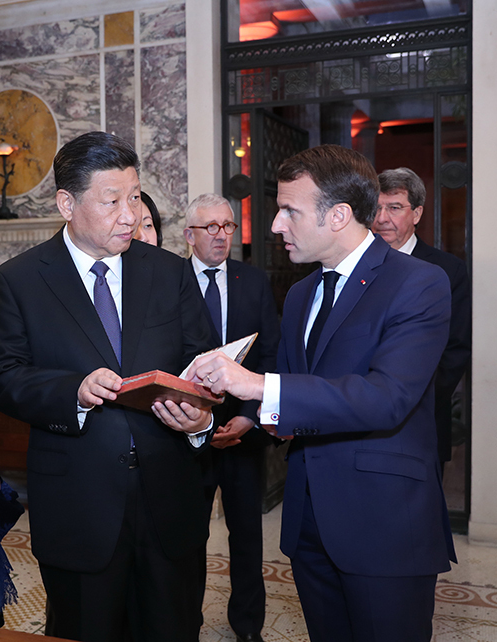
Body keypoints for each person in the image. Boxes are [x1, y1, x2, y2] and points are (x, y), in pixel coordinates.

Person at [187, 145, 455, 642]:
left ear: (338, 216)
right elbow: (291, 401)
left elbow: (387, 397)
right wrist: (211, 414)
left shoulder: (419, 283)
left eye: (289, 210)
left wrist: (254, 384)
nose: (275, 225)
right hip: (309, 521)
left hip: (382, 522)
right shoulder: (300, 293)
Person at [0, 131, 215, 642]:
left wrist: (201, 417)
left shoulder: (170, 272)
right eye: (112, 201)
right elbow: (0, 376)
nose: (130, 215)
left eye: (135, 197)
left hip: (168, 501)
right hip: (78, 505)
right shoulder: (21, 279)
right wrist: (73, 391)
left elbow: (201, 363)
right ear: (67, 204)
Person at [184, 193, 279, 642]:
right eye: (211, 227)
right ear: (190, 235)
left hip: (242, 434)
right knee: (188, 539)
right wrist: (197, 418)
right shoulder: (170, 281)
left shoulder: (253, 281)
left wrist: (249, 417)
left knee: (246, 538)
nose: (222, 235)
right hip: (189, 433)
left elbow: (271, 354)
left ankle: (248, 627)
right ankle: (186, 621)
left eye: (228, 226)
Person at [373, 167, 472, 466]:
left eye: (394, 207)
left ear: (417, 213)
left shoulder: (447, 270)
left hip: (421, 421)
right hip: (358, 420)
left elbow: (455, 349)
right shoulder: (352, 266)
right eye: (376, 208)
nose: (382, 218)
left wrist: (408, 400)